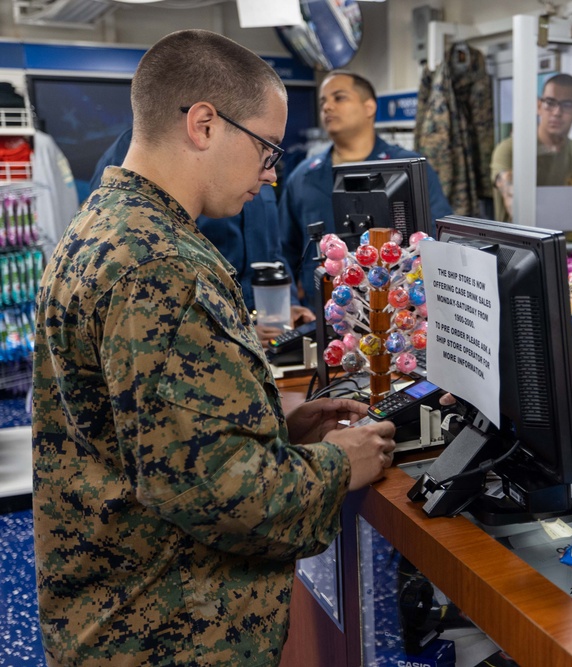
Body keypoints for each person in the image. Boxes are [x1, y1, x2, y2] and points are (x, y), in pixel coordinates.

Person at [32, 30, 396, 666]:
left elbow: (136, 421)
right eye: (265, 147)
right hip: (162, 632)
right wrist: (340, 464)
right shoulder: (158, 264)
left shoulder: (107, 225)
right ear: (204, 123)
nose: (272, 171)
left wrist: (273, 421)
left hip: (115, 611)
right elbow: (217, 492)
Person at [88, 127, 313, 344]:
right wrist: (230, 331)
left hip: (265, 346)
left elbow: (273, 253)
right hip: (203, 348)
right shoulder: (141, 153)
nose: (268, 174)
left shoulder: (247, 157)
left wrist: (285, 307)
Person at [279, 70, 453, 304]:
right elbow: (283, 250)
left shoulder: (408, 170)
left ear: (369, 107)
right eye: (323, 101)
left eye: (339, 98)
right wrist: (289, 306)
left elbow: (439, 241)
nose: (327, 107)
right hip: (326, 313)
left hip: (398, 316)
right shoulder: (303, 176)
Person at [490, 72, 572, 222]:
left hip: (571, 244)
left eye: (567, 105)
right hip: (519, 242)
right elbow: (512, 199)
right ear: (538, 106)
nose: (557, 112)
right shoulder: (511, 150)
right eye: (550, 103)